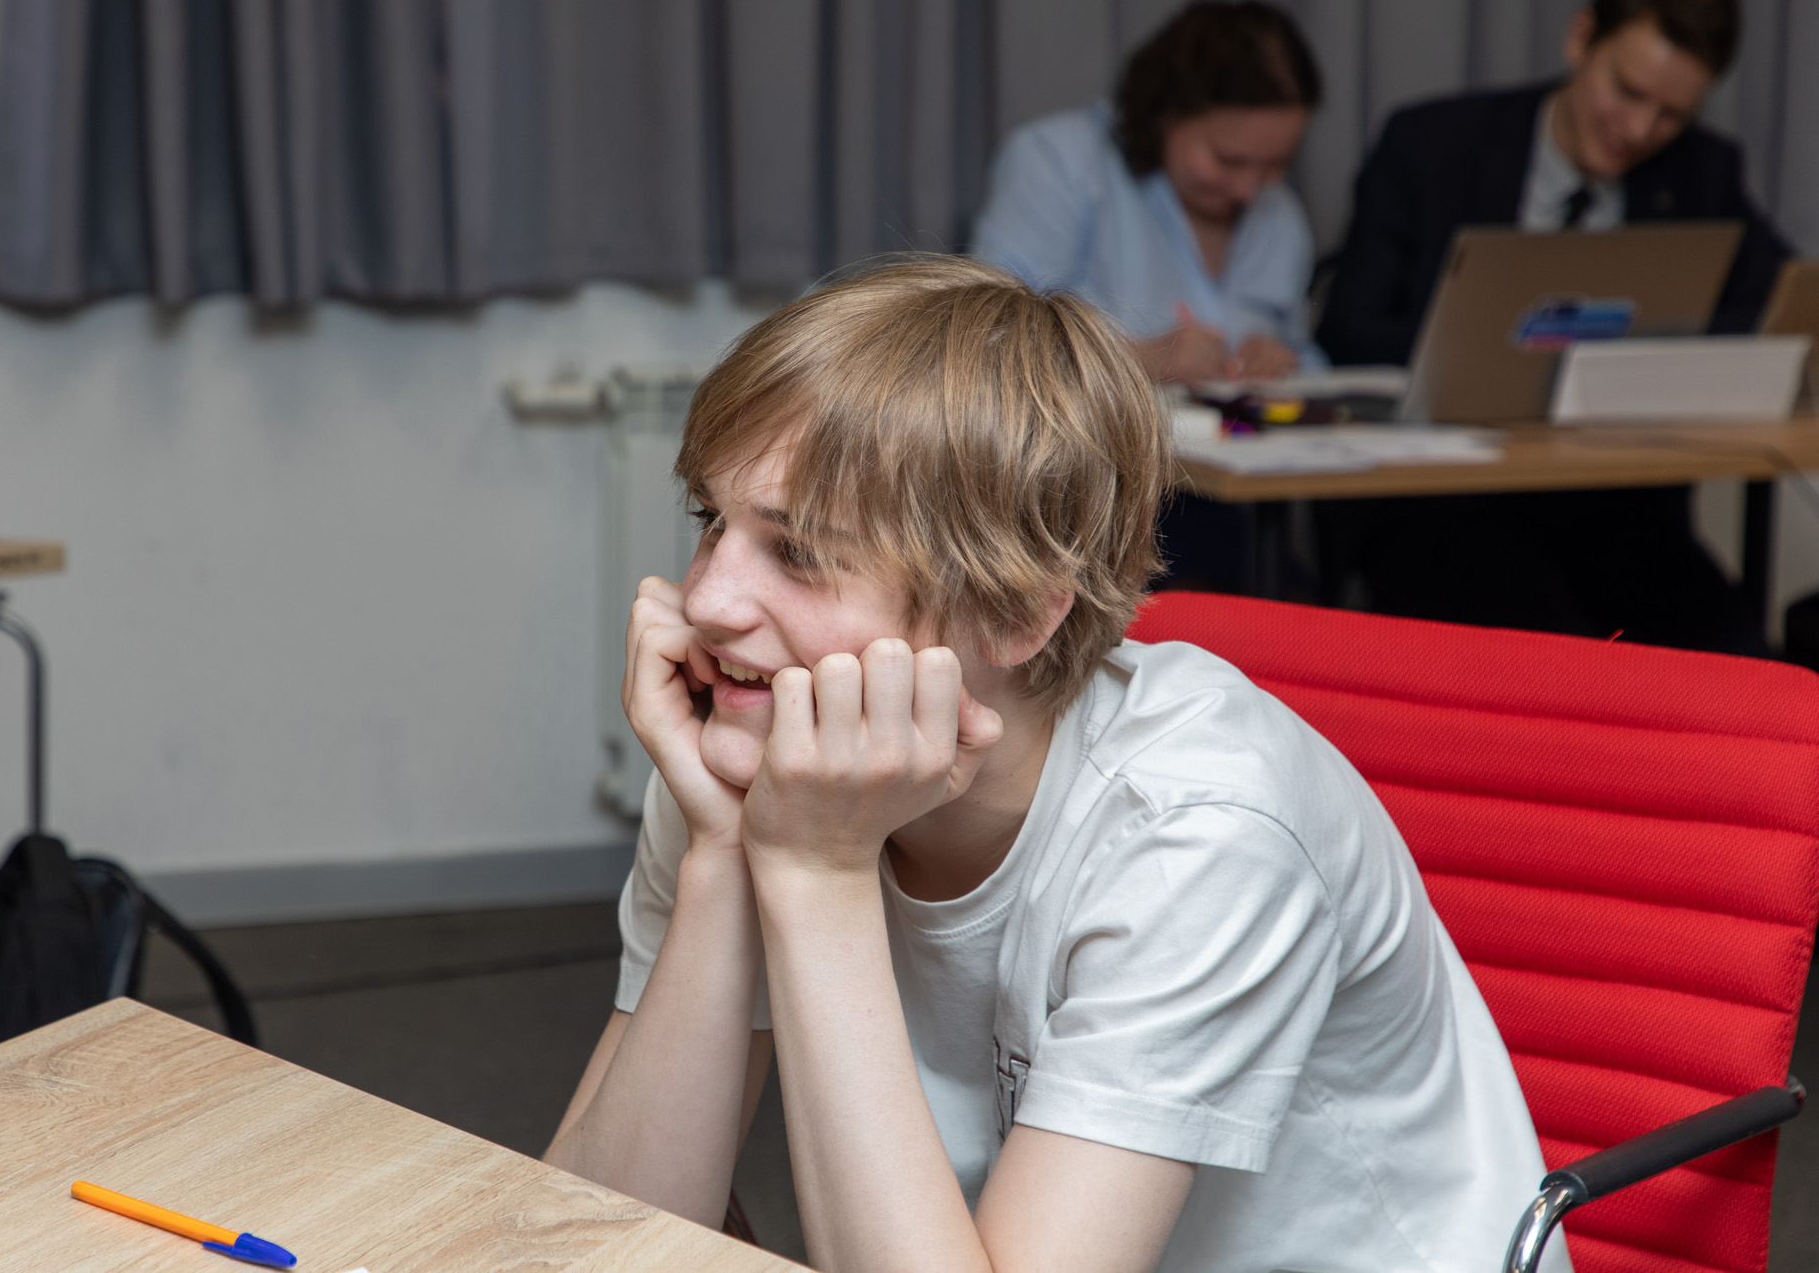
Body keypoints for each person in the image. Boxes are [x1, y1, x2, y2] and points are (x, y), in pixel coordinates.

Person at [544, 257, 1565, 1273]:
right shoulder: (761, 755)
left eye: (799, 553)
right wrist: (728, 850)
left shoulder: (1199, 828)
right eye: (710, 522)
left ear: (1016, 612)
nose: (707, 600)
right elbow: (594, 1252)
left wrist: (815, 874)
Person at [1316, 0, 1791, 650]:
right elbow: (1348, 327)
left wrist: (1649, 359)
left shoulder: (1702, 169)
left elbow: (1774, 297)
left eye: (1671, 115)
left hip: (1619, 508)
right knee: (1554, 660)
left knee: (1740, 664)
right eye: (1627, 91)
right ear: (1580, 39)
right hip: (1446, 503)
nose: (1639, 128)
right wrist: (1477, 351)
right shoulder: (1432, 146)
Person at [973, 0, 1326, 385]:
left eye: (1276, 164)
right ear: (1165, 116)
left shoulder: (1282, 214)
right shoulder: (1059, 164)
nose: (1248, 190)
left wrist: (1280, 359)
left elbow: (1308, 357)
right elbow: (990, 347)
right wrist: (1140, 362)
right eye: (1228, 160)